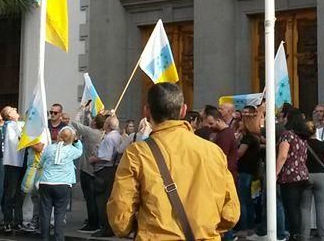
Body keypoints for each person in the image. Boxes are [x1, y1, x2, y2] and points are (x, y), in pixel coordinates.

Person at [108, 82, 239, 239]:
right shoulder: (213, 151)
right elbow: (231, 213)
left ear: (146, 111)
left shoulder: (137, 153)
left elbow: (120, 217)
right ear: (183, 110)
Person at [33, 126, 83, 241]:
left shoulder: (49, 148)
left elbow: (41, 163)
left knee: (45, 213)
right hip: (63, 184)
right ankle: (58, 238)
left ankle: (44, 238)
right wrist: (76, 141)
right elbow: (80, 150)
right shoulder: (72, 150)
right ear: (71, 139)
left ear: (59, 136)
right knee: (59, 214)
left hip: (46, 183)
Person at [69, 106, 104, 235]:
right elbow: (92, 123)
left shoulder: (90, 132)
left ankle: (92, 223)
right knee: (96, 198)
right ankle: (97, 221)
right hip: (99, 170)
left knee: (89, 198)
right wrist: (89, 114)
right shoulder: (103, 133)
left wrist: (80, 110)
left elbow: (75, 122)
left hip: (87, 169)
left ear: (94, 123)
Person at [277, 110, 310, 240]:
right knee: (298, 208)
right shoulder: (302, 137)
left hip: (290, 176)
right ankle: (299, 235)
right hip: (302, 175)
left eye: (284, 117)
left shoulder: (287, 135)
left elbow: (283, 155)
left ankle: (294, 235)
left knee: (290, 209)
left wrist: (275, 173)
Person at [91, 115, 123, 237]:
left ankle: (105, 228)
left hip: (104, 170)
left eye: (105, 123)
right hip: (111, 170)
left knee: (102, 200)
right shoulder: (118, 136)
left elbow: (105, 156)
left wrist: (93, 159)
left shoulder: (109, 138)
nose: (103, 124)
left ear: (108, 125)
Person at [234, 106, 262, 237]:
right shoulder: (255, 137)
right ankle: (250, 226)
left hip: (245, 170)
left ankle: (245, 227)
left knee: (243, 199)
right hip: (250, 170)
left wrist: (234, 144)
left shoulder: (247, 138)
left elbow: (239, 153)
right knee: (248, 199)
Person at [0, 106, 26, 234]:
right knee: (10, 192)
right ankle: (7, 221)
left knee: (20, 194)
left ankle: (18, 221)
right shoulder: (7, 125)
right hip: (12, 162)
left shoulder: (21, 124)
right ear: (9, 115)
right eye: (12, 110)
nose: (16, 109)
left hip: (23, 161)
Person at [304, 119, 324, 241]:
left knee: (304, 207)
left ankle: (304, 235)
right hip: (321, 176)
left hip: (306, 176)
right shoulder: (322, 145)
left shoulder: (302, 144)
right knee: (321, 206)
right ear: (315, 131)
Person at [204, 105, 239, 181]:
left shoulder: (225, 135)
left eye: (211, 123)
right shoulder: (223, 133)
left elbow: (221, 156)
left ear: (219, 121)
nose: (209, 127)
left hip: (225, 174)